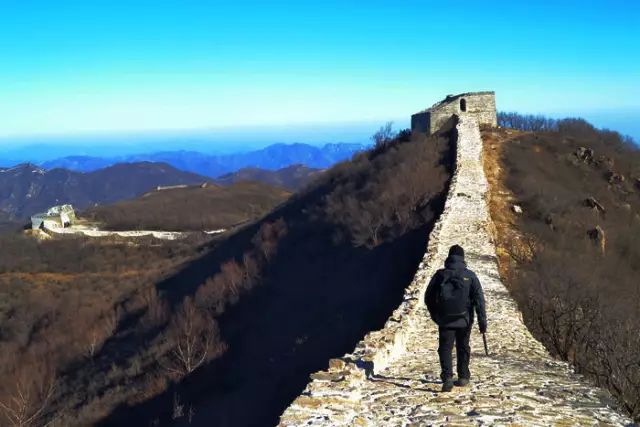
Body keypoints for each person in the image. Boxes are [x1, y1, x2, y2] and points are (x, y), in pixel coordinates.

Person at [425, 244, 487, 392]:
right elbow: (479, 300)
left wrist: (436, 315)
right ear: (463, 258)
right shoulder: (470, 276)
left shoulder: (440, 275)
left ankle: (447, 378)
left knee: (445, 348)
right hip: (464, 319)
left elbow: (428, 297)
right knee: (463, 346)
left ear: (449, 257)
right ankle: (463, 376)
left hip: (445, 319)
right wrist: (482, 322)